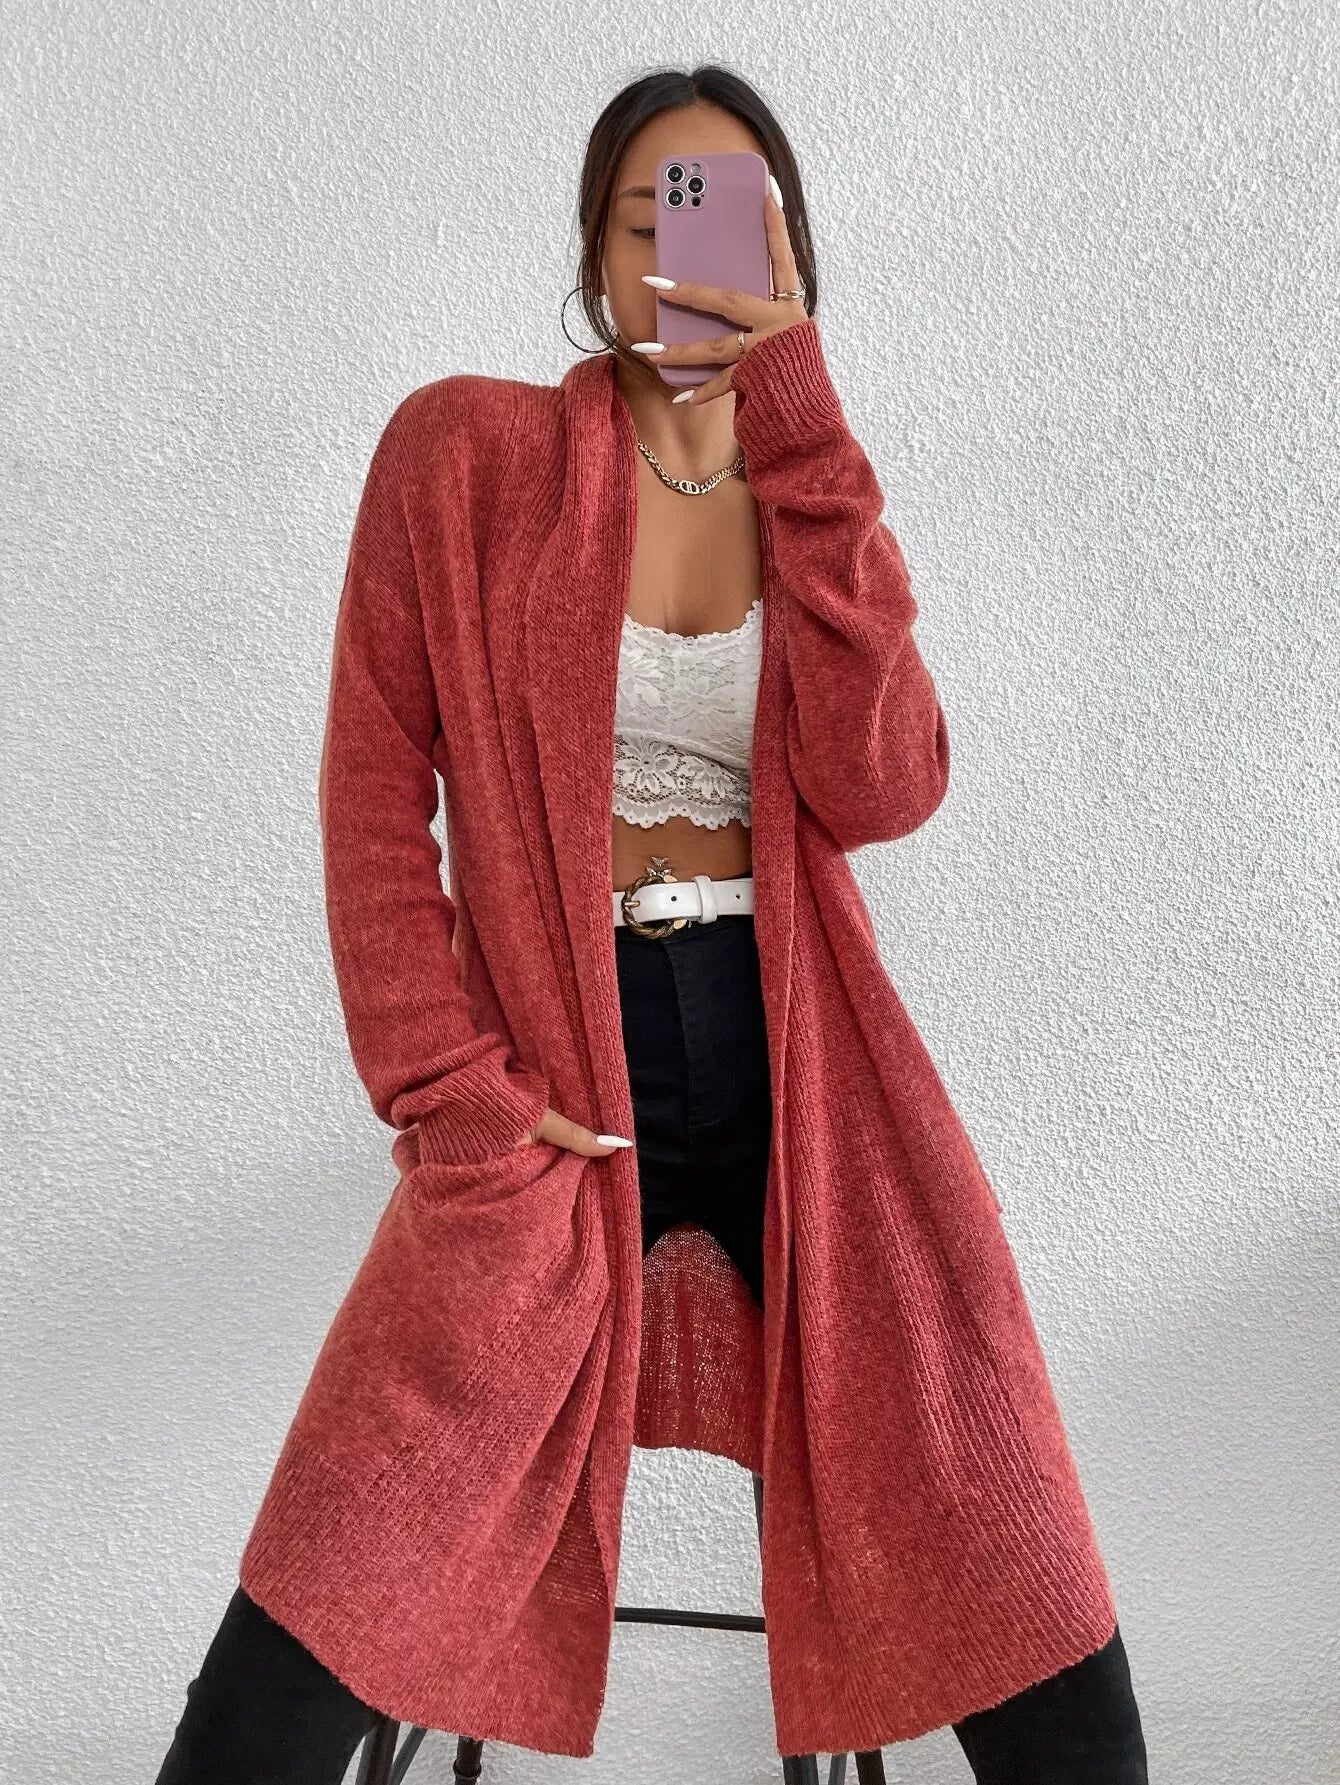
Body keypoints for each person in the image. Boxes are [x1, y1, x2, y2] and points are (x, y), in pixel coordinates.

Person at [155, 65, 1148, 1785]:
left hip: (798, 1077)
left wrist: (806, 427)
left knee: (1018, 1564)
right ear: (596, 256)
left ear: (791, 258)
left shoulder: (809, 493)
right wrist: (450, 1094)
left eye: (729, 225)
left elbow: (891, 784)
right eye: (646, 222)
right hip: (554, 1084)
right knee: (328, 1584)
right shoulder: (464, 458)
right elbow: (374, 797)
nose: (684, 264)